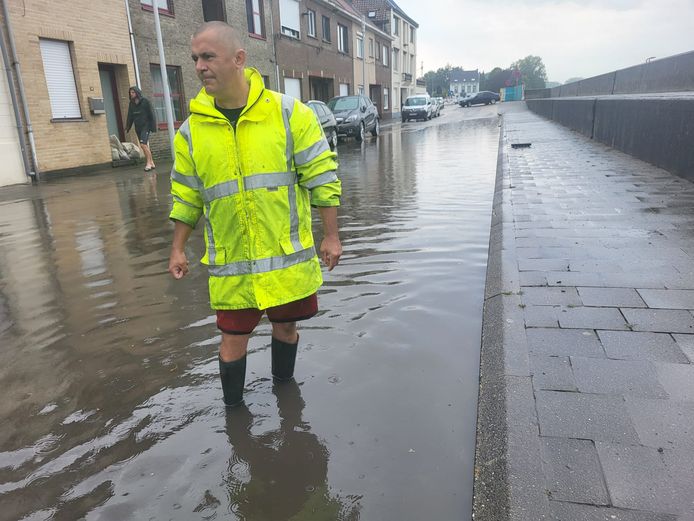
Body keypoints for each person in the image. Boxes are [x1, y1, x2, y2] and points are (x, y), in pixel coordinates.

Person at [167, 21, 342, 407]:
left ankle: (285, 394)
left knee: (286, 327)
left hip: (284, 262)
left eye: (208, 56)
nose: (199, 66)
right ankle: (234, 415)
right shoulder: (191, 132)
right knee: (231, 340)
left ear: (239, 59)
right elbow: (185, 195)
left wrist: (331, 235)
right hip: (233, 265)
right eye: (195, 58)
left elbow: (321, 176)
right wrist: (178, 248)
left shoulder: (288, 114)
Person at [125, 86, 157, 171]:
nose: (131, 94)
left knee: (143, 144)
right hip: (138, 127)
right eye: (130, 93)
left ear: (137, 93)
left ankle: (148, 163)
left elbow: (151, 114)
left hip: (145, 126)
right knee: (144, 146)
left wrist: (153, 127)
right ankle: (152, 162)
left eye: (133, 92)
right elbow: (130, 116)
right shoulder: (131, 104)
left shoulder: (145, 102)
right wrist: (128, 126)